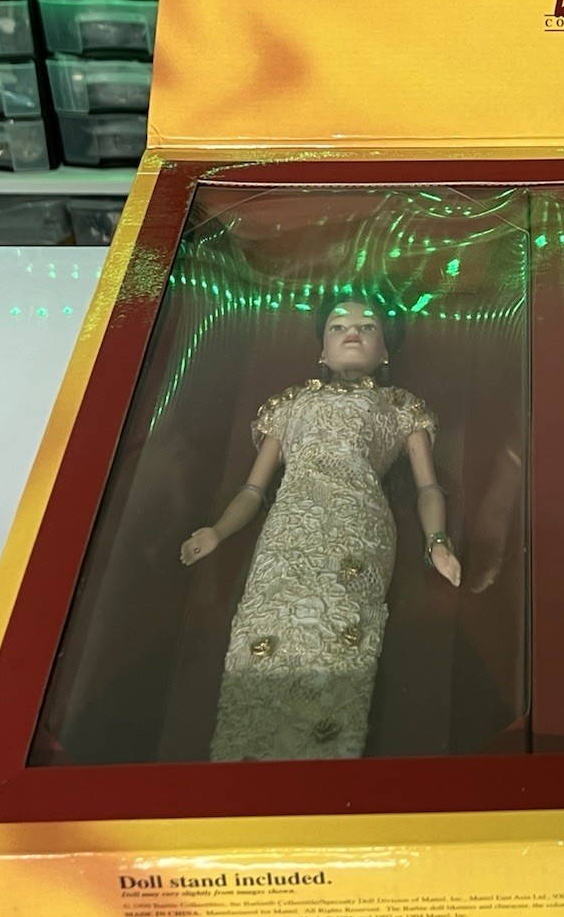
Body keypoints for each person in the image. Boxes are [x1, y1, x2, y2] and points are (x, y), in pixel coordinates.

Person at [181, 290, 460, 761]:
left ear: (385, 351)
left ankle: (327, 762)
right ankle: (242, 762)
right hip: (290, 525)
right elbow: (253, 489)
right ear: (322, 350)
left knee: (340, 633)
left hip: (359, 524)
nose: (353, 332)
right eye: (338, 326)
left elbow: (427, 487)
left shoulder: (401, 407)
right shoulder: (290, 405)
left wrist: (436, 541)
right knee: (266, 630)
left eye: (368, 326)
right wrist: (219, 531)